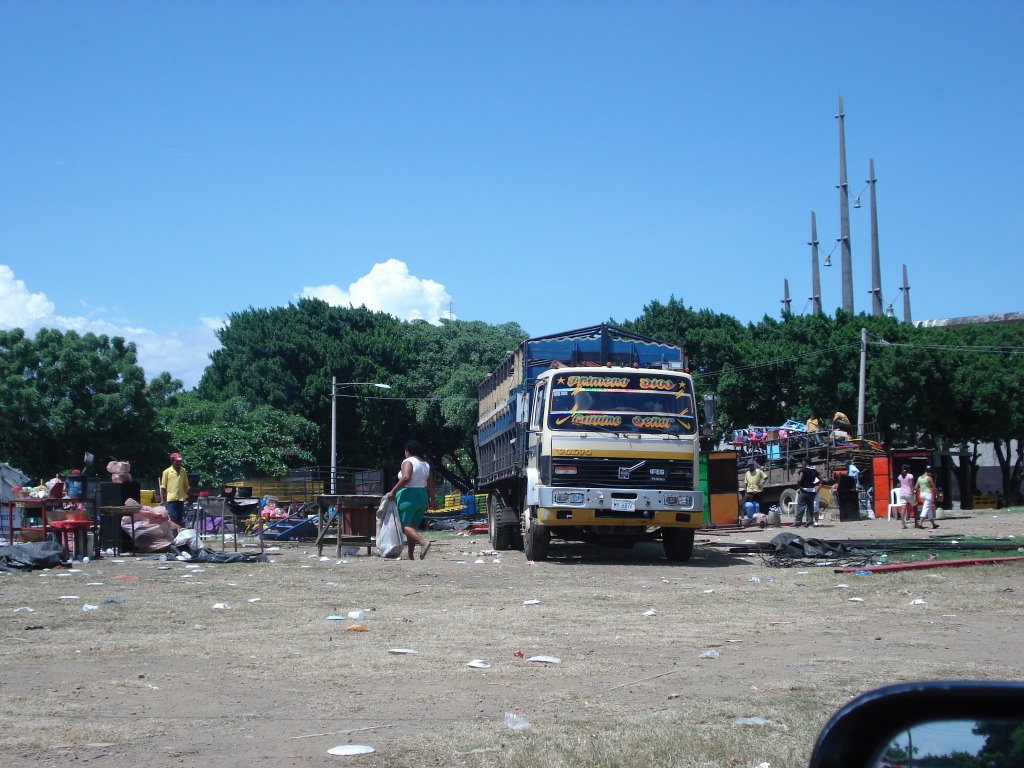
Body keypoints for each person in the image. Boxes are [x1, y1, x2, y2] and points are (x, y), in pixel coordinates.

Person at [385, 440, 436, 560]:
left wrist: (393, 491)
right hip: (422, 496)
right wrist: (433, 499)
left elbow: (406, 477)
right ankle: (410, 555)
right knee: (412, 527)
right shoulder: (425, 464)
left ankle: (423, 542)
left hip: (408, 496)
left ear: (408, 451)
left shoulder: (408, 461)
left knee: (403, 526)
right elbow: (431, 484)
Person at [160, 452, 190, 526]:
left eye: (179, 461)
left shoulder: (183, 471)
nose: (178, 463)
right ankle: (174, 534)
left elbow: (186, 485)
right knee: (173, 518)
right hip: (171, 498)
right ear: (172, 461)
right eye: (177, 461)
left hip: (180, 498)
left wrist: (186, 495)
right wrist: (163, 499)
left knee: (180, 517)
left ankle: (179, 534)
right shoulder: (166, 472)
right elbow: (163, 487)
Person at [795, 457, 821, 527]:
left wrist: (799, 485)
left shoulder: (803, 470)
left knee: (800, 506)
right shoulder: (814, 471)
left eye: (802, 461)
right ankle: (809, 522)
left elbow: (799, 480)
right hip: (812, 491)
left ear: (806, 462)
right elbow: (821, 479)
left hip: (804, 490)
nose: (802, 463)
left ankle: (797, 522)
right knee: (810, 507)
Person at [897, 465, 915, 529]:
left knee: (903, 508)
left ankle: (903, 524)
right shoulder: (910, 476)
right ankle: (916, 523)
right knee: (914, 506)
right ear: (908, 469)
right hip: (909, 493)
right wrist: (913, 493)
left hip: (902, 493)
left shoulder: (900, 476)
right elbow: (911, 485)